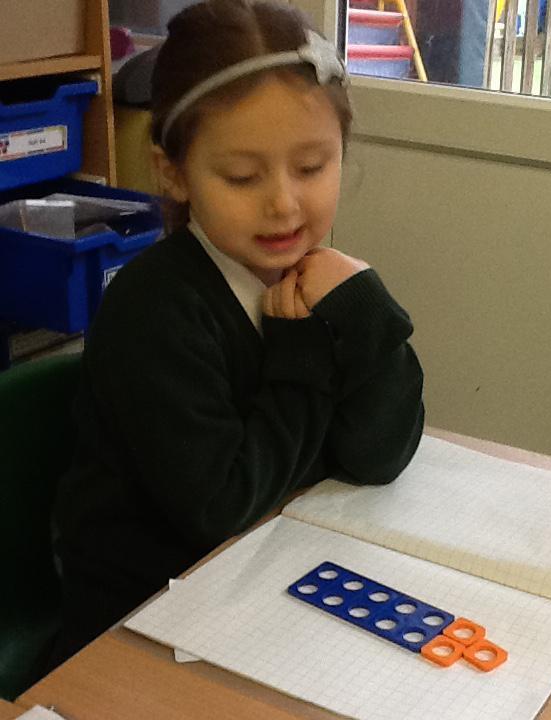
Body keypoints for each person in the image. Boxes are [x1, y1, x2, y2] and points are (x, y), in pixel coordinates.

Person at [48, 0, 424, 669]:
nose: (283, 203)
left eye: (312, 167)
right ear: (173, 173)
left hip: (278, 582)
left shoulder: (318, 284)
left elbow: (381, 455)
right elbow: (222, 509)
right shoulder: (154, 310)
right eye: (243, 177)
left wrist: (367, 311)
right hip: (143, 624)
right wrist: (300, 354)